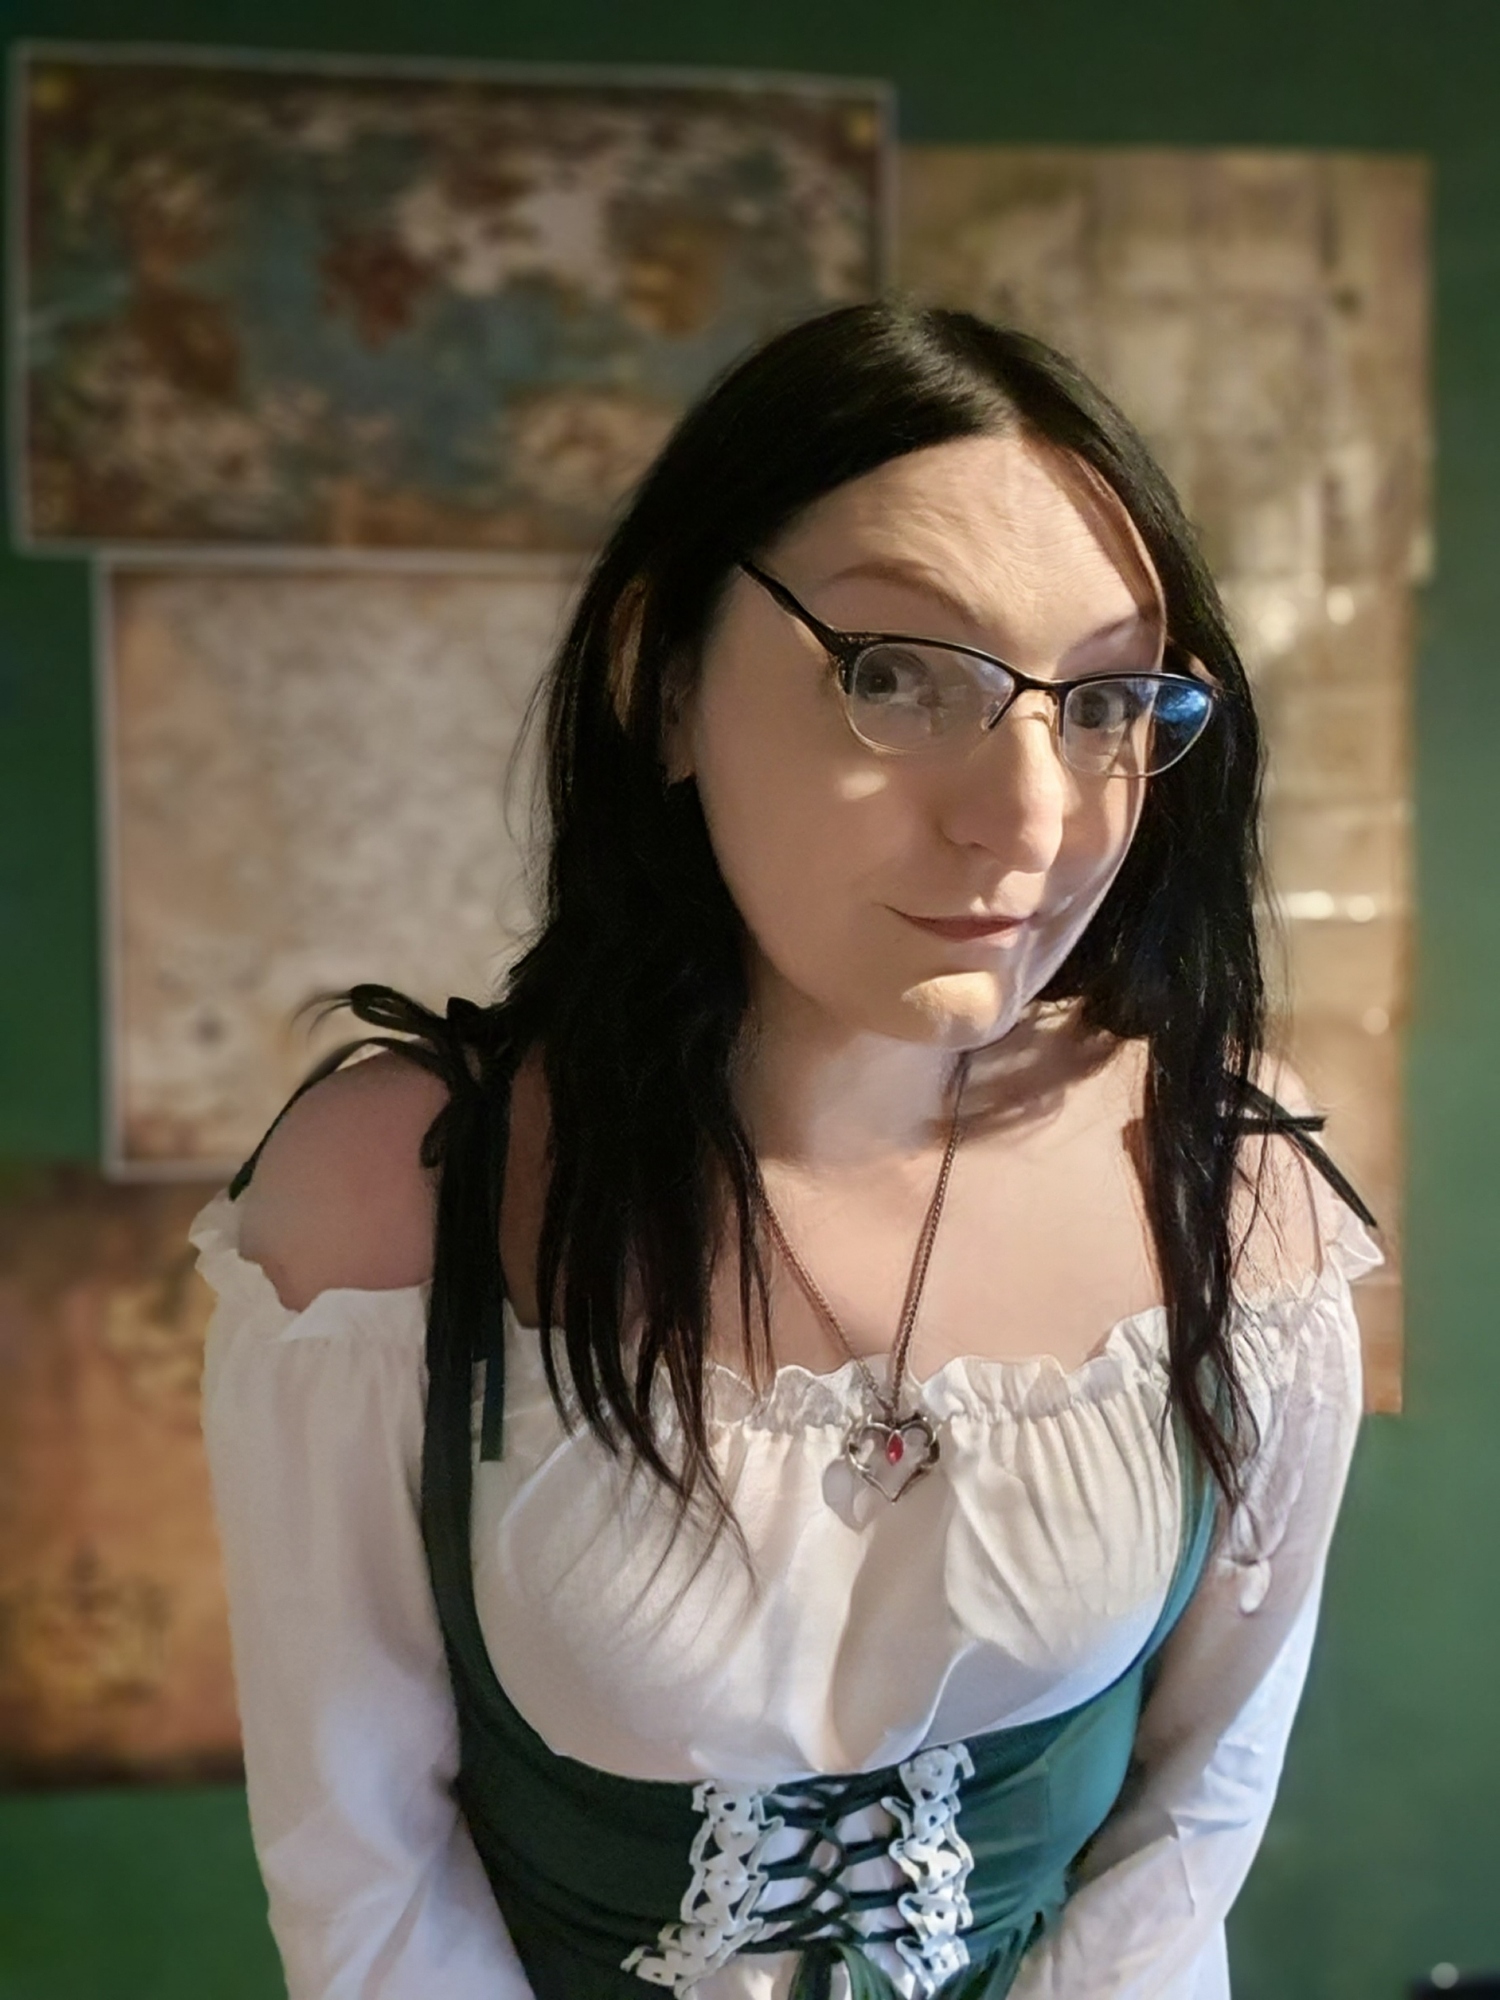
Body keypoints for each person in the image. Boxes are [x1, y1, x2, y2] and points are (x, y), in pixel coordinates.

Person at [194, 303, 1380, 2000]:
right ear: (661, 680)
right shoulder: (398, 1194)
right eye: (895, 675)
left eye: (1106, 700)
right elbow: (364, 1875)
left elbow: (1195, 1820)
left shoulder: (1233, 1193)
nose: (1030, 818)